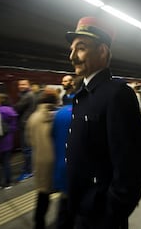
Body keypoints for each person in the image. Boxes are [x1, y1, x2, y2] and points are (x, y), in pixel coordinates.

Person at [65, 16, 141, 228]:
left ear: (102, 51)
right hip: (78, 208)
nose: (72, 56)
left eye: (80, 48)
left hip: (99, 217)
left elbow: (131, 170)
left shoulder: (118, 95)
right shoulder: (82, 94)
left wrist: (110, 215)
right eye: (72, 49)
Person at [25, 88, 59, 229]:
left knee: (43, 194)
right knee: (64, 193)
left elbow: (29, 141)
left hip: (39, 160)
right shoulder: (57, 116)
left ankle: (39, 222)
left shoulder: (32, 118)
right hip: (56, 160)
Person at [52, 76, 82, 229]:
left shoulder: (60, 113)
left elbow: (53, 140)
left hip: (62, 169)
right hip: (80, 173)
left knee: (64, 208)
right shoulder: (86, 115)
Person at [13, 79, 37, 181]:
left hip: (25, 125)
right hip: (27, 123)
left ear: (28, 85)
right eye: (20, 84)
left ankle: (28, 171)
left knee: (27, 150)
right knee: (29, 149)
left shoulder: (27, 96)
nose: (21, 86)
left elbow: (17, 108)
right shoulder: (28, 95)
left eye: (24, 84)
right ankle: (29, 168)